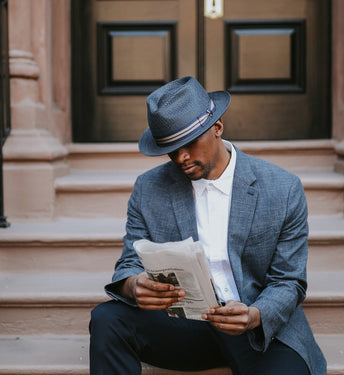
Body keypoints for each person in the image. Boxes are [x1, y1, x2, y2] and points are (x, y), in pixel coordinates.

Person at [89, 76, 326, 375]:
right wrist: (133, 285)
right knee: (106, 319)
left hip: (256, 328)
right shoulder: (148, 188)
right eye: (170, 149)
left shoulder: (282, 189)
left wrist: (254, 315)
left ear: (217, 127)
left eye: (188, 143)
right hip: (185, 326)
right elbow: (129, 261)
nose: (181, 158)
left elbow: (289, 281)